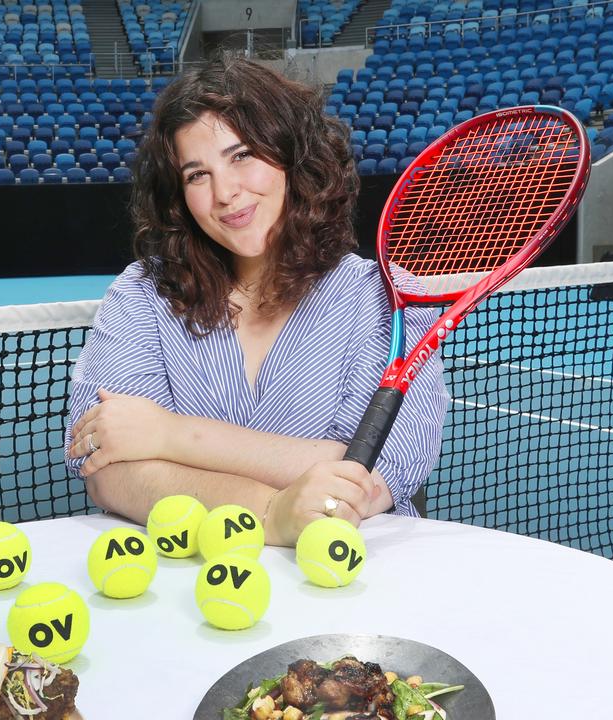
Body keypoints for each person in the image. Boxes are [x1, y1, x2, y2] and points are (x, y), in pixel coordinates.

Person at [64, 57, 448, 547]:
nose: (225, 192)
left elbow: (377, 473)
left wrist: (169, 437)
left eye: (242, 155)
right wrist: (272, 511)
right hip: (189, 589)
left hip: (350, 583)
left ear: (293, 155)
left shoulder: (388, 300)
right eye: (196, 175)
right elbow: (105, 469)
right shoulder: (141, 293)